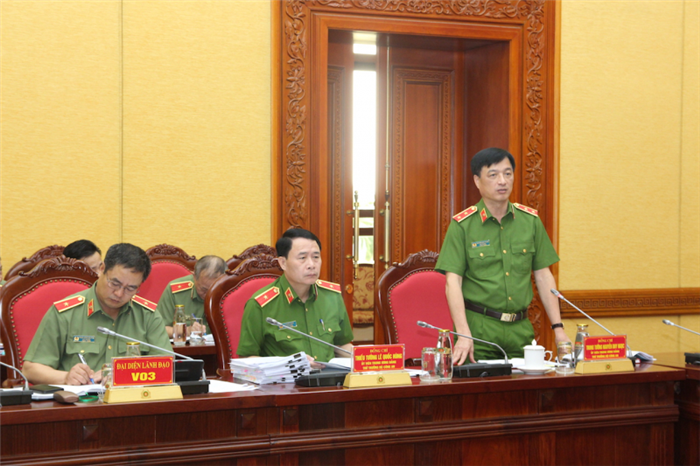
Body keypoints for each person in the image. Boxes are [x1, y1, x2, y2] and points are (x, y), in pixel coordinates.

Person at [435, 147, 569, 364]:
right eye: (493, 175)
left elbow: (544, 276)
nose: (502, 181)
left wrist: (558, 329)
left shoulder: (530, 222)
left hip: (520, 330)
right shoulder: (463, 225)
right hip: (479, 331)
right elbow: (453, 283)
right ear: (477, 181)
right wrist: (463, 333)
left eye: (508, 174)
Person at [22, 243, 171, 385]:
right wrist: (66, 377)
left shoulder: (148, 316)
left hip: (129, 399)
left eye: (130, 288)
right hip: (79, 400)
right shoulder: (66, 313)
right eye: (115, 283)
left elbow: (167, 367)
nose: (119, 294)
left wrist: (123, 374)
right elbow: (30, 370)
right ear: (102, 269)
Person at [237, 228, 354, 365]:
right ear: (283, 263)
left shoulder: (332, 297)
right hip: (285, 378)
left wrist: (365, 358)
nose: (311, 265)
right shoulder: (260, 304)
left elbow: (341, 345)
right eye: (302, 258)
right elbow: (246, 359)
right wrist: (289, 364)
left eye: (316, 257)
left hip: (330, 377)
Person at [157, 255, 226, 338]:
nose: (209, 294)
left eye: (214, 290)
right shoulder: (175, 291)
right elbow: (159, 329)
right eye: (204, 289)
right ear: (194, 277)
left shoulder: (230, 292)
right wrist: (185, 331)